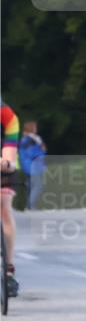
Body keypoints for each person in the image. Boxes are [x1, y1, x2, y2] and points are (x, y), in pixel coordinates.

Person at [1, 99, 20, 296]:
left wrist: (8, 163)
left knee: (5, 205)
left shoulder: (7, 115)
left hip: (1, 164)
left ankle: (9, 268)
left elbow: (9, 157)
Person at [19, 120, 47, 210]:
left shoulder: (25, 139)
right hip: (33, 166)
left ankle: (28, 205)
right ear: (31, 128)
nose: (36, 129)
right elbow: (33, 153)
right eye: (35, 127)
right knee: (38, 186)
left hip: (27, 166)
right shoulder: (31, 140)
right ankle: (31, 205)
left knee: (30, 186)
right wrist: (41, 147)